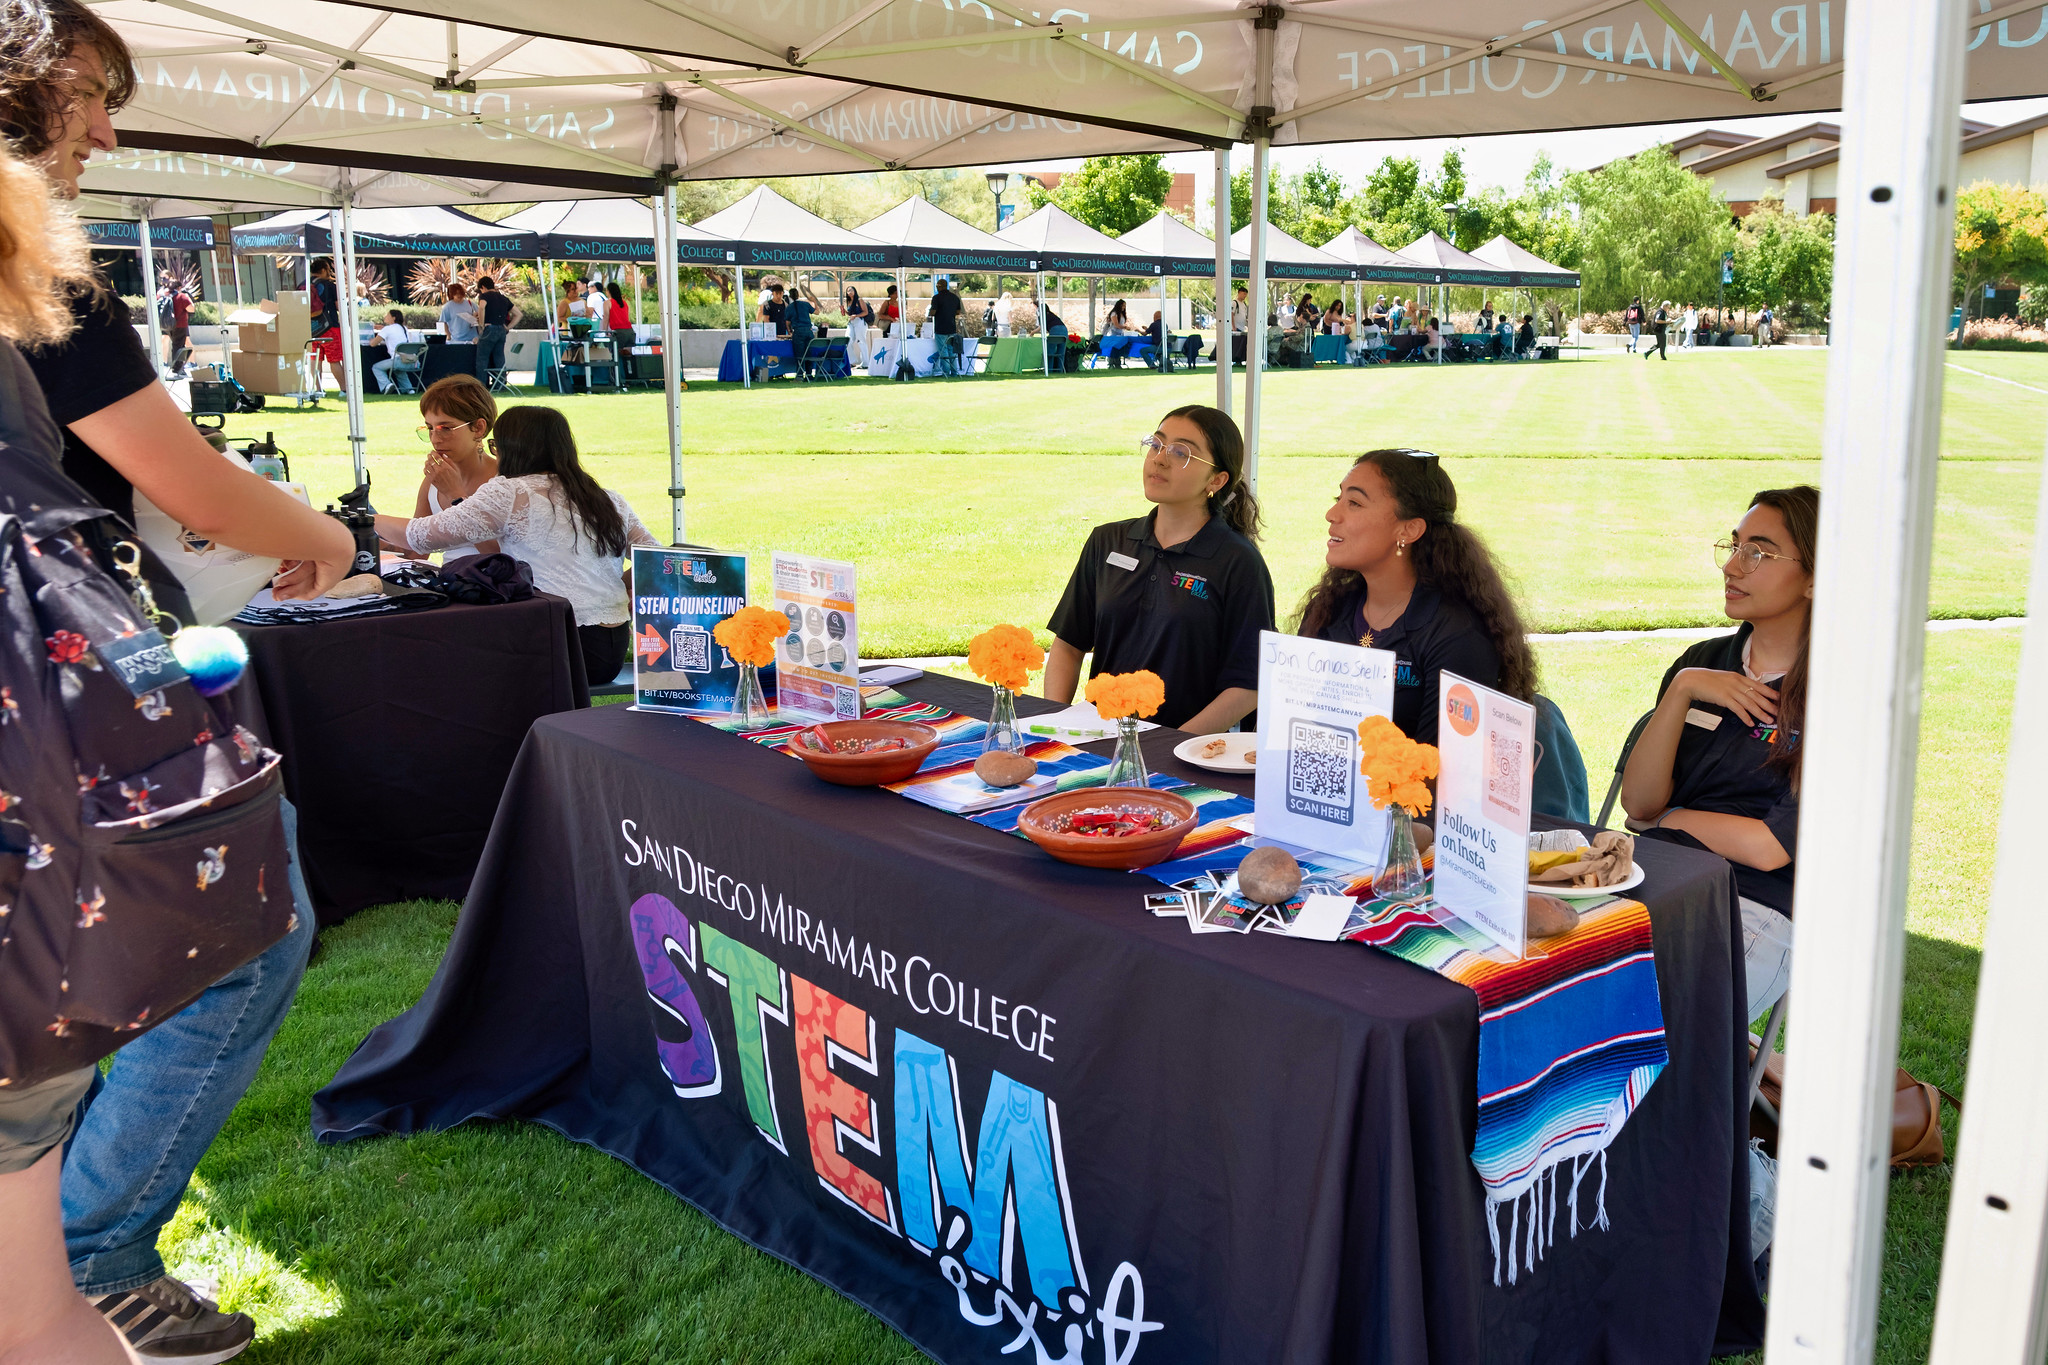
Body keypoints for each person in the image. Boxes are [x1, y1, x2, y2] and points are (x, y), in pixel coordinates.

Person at [5, 7, 345, 1356]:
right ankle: (91, 1252)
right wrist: (334, 538)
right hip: (62, 708)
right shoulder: (39, 277)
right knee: (250, 930)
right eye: (88, 93)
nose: (105, 128)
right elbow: (189, 481)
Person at [1620, 486, 1817, 918]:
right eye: (1734, 547)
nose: (1731, 567)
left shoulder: (1834, 693)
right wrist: (1683, 688)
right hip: (1653, 878)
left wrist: (1665, 820)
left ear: (1813, 580)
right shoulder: (1700, 663)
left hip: (1752, 905)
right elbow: (1637, 803)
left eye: (1757, 553)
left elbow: (1770, 847)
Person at [377, 405, 661, 685]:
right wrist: (615, 585)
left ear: (510, 449)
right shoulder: (607, 498)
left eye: (495, 446)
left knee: (443, 656)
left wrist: (367, 520)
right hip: (612, 647)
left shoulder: (511, 490)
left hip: (557, 640)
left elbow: (422, 536)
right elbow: (658, 560)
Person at [1045, 405, 1272, 734]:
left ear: (1216, 480)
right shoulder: (1108, 541)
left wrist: (1170, 746)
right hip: (1097, 738)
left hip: (1186, 751)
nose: (1160, 459)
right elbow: (1069, 644)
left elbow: (1248, 686)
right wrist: (1056, 723)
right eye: (1156, 444)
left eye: (1181, 453)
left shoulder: (1238, 562)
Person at [1296, 449, 1537, 744]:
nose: (1332, 514)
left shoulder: (1456, 636)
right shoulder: (1328, 610)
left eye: (1355, 503)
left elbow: (1437, 765)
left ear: (1409, 530)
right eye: (1339, 498)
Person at [407, 375, 500, 560]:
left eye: (446, 428)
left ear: (478, 428)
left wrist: (455, 496)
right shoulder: (433, 481)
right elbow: (417, 551)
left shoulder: (506, 479)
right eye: (429, 428)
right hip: (452, 577)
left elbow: (503, 557)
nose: (435, 439)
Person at [307, 254, 348, 402]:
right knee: (334, 360)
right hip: (330, 327)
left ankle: (318, 389)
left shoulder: (303, 284)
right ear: (324, 270)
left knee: (315, 358)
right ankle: (344, 389)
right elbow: (338, 306)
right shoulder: (330, 285)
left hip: (311, 328)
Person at [475, 274, 513, 385]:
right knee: (499, 357)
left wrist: (481, 325)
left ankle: (481, 385)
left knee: (482, 358)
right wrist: (508, 327)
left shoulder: (484, 296)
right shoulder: (503, 298)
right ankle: (500, 384)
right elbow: (518, 314)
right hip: (501, 330)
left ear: (483, 287)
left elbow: (482, 307)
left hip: (489, 329)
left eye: (481, 290)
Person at [370, 307, 411, 394]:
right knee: (398, 370)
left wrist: (370, 340)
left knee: (376, 367)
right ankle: (409, 389)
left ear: (393, 318)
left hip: (398, 360)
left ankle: (387, 385)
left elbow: (373, 344)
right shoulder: (404, 328)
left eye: (387, 315)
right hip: (412, 361)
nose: (385, 317)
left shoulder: (387, 329)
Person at [155, 277, 190, 373]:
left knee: (172, 344)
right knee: (178, 346)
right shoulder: (181, 296)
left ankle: (165, 364)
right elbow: (191, 309)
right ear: (179, 288)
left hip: (165, 325)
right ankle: (177, 369)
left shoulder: (161, 295)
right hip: (180, 325)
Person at [929, 275, 962, 371]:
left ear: (939, 286)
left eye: (937, 286)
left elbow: (933, 312)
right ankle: (954, 371)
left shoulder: (936, 298)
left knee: (943, 351)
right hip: (952, 327)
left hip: (940, 328)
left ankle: (946, 372)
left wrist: (931, 312)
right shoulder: (955, 297)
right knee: (952, 351)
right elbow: (958, 312)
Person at [1229, 284, 1249, 365]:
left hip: (1242, 327)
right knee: (1236, 345)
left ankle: (1240, 360)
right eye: (1244, 294)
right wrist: (1233, 326)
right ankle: (1235, 360)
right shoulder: (1234, 303)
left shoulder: (1244, 305)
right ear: (1239, 293)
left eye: (1246, 295)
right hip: (1236, 328)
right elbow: (1231, 314)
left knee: (1242, 345)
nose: (1245, 296)